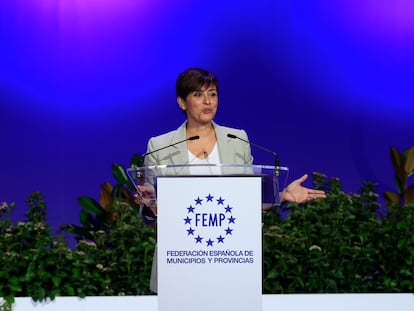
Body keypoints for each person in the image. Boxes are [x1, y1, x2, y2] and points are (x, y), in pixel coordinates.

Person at [136, 67, 326, 293]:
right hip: (179, 260)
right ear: (182, 102)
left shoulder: (237, 140)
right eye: (198, 94)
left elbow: (245, 202)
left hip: (230, 258)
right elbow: (151, 215)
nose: (208, 101)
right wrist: (150, 205)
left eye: (213, 94)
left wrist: (282, 195)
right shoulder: (159, 146)